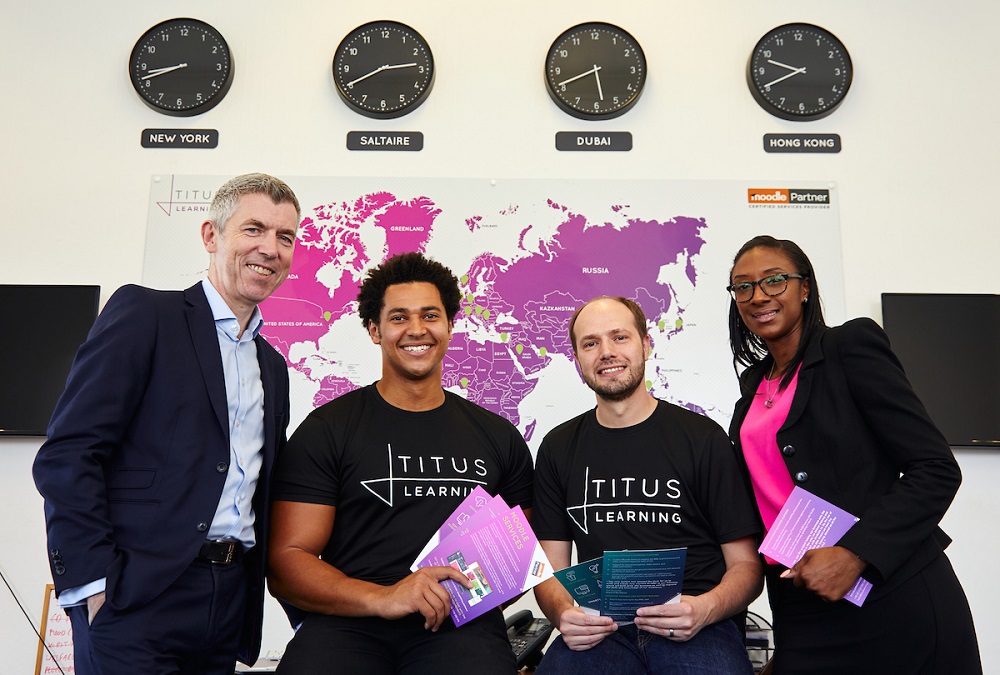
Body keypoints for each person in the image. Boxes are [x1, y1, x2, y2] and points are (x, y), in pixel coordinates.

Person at [32, 173, 301, 673]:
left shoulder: (273, 366)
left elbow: (268, 488)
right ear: (211, 235)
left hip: (227, 601)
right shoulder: (146, 314)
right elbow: (68, 454)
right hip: (135, 598)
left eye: (285, 237)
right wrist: (95, 584)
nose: (270, 248)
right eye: (254, 229)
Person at [267, 251, 534, 674]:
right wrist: (385, 597)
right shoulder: (328, 429)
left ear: (449, 325)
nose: (416, 330)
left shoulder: (498, 437)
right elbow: (286, 561)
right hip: (349, 621)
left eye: (430, 315)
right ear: (374, 330)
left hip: (459, 628)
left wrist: (458, 596)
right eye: (398, 317)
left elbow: (519, 557)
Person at [726, 235, 982, 674]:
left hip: (891, 593)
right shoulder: (752, 389)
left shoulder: (850, 347)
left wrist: (854, 553)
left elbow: (936, 468)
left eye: (774, 280)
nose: (758, 296)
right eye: (743, 286)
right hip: (803, 606)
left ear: (804, 288)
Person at [531, 296, 763, 674]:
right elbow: (548, 569)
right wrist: (562, 614)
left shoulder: (703, 438)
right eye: (590, 343)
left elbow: (746, 566)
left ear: (646, 345)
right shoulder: (558, 447)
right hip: (602, 632)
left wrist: (704, 610)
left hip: (697, 627)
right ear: (577, 360)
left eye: (619, 337)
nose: (606, 352)